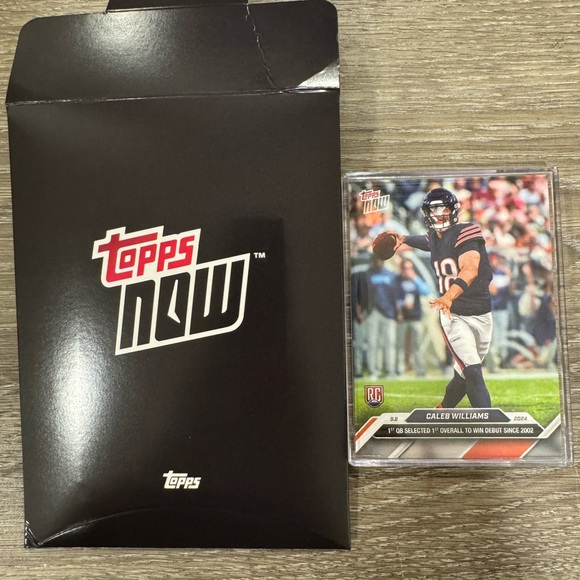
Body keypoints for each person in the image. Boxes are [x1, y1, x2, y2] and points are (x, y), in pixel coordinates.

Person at [387, 188, 493, 408]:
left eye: (442, 209)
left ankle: (442, 409)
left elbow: (470, 270)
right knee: (473, 372)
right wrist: (404, 239)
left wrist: (448, 295)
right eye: (433, 210)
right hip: (454, 315)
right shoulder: (434, 237)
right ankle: (487, 423)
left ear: (453, 210)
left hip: (482, 313)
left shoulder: (466, 231)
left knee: (463, 376)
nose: (438, 214)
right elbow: (426, 241)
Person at [395, 259, 430, 376]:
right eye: (405, 268)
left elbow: (426, 292)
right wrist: (402, 304)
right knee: (400, 345)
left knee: (417, 345)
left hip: (415, 317)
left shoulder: (416, 280)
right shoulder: (397, 280)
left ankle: (420, 370)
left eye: (410, 268)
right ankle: (399, 369)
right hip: (402, 318)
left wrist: (415, 278)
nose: (408, 271)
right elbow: (394, 296)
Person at [365, 255, 398, 379]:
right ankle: (374, 370)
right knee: (373, 342)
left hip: (389, 313)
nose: (377, 262)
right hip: (373, 312)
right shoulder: (367, 275)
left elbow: (396, 295)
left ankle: (390, 370)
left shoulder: (391, 275)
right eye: (375, 260)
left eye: (379, 260)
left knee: (390, 342)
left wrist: (398, 312)